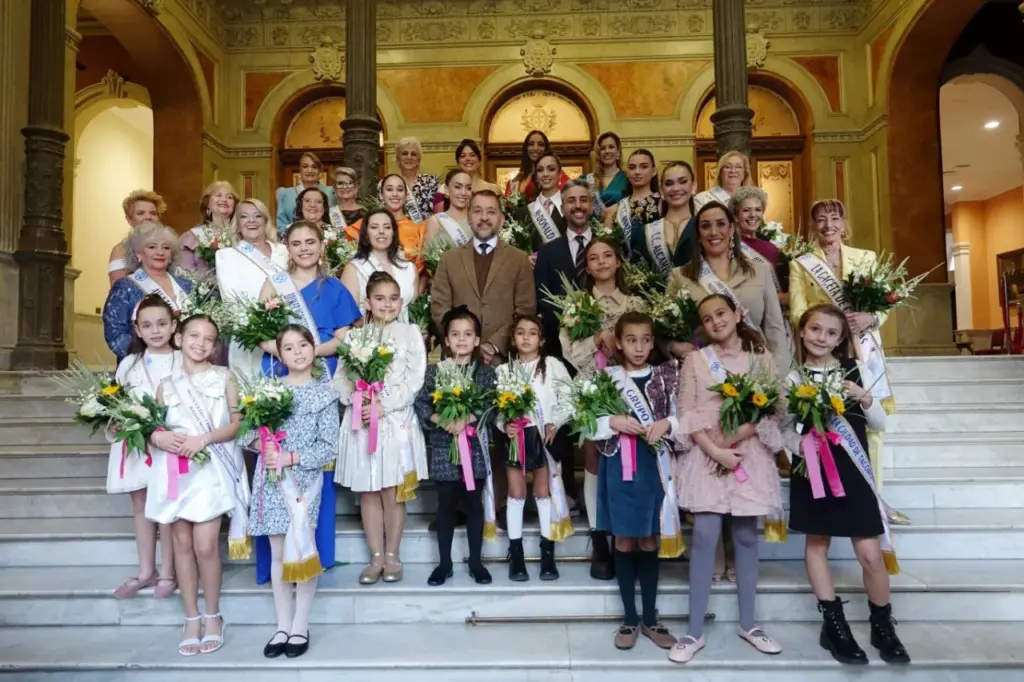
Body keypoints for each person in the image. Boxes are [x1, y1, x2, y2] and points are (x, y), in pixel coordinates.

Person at [784, 304, 909, 666]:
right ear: (803, 331)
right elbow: (782, 431)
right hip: (814, 472)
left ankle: (882, 625)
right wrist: (802, 447)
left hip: (853, 470)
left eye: (830, 333)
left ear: (840, 340)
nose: (821, 338)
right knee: (817, 544)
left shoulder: (854, 370)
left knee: (870, 553)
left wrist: (865, 398)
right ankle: (834, 625)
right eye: (815, 329)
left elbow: (879, 424)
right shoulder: (792, 378)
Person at [668, 294, 784, 664]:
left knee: (747, 536)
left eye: (721, 313)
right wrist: (715, 449)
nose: (715, 321)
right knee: (704, 535)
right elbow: (685, 412)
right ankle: (694, 630)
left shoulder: (760, 359)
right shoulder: (695, 360)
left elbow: (774, 410)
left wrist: (738, 435)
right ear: (701, 327)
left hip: (748, 454)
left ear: (736, 313)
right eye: (707, 319)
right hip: (708, 456)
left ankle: (749, 623)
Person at [252, 220, 360, 586]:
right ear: (288, 247)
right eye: (296, 243)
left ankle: (315, 555)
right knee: (275, 465)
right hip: (281, 378)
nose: (303, 248)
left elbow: (345, 338)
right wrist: (287, 354)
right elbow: (260, 333)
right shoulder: (274, 284)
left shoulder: (335, 288)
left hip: (321, 376)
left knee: (316, 468)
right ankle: (278, 561)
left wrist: (309, 353)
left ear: (320, 246)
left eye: (310, 242)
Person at [787, 199, 907, 525]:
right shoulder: (802, 263)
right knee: (826, 423)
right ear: (813, 226)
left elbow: (883, 302)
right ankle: (832, 489)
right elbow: (797, 311)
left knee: (872, 423)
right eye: (821, 220)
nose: (829, 225)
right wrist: (829, 322)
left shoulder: (865, 258)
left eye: (834, 218)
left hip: (862, 347)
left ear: (844, 221)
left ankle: (876, 499)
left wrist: (871, 316)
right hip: (824, 348)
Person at [146, 314, 250, 656]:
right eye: (193, 335)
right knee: (181, 544)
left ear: (215, 346)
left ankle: (213, 613)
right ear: (179, 338)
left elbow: (236, 425)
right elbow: (153, 430)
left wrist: (203, 439)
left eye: (208, 339)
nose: (200, 343)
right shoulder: (165, 385)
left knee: (205, 545)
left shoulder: (224, 378)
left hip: (210, 471)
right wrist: (160, 439)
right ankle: (191, 616)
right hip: (176, 472)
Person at [587, 311, 682, 651]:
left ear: (653, 342)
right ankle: (629, 618)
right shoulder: (606, 378)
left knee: (648, 540)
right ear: (619, 342)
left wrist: (668, 424)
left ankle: (651, 618)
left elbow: (682, 415)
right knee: (625, 541)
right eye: (631, 340)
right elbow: (587, 423)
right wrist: (611, 420)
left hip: (653, 468)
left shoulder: (666, 376)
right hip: (619, 468)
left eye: (645, 340)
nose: (639, 347)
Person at [250, 325, 339, 660]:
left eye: (303, 345)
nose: (298, 352)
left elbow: (330, 446)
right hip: (272, 480)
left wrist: (294, 457)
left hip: (305, 482)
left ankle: (301, 624)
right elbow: (249, 433)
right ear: (279, 354)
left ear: (314, 349)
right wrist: (265, 444)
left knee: (302, 547)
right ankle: (282, 624)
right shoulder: (267, 391)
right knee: (276, 554)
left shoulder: (325, 394)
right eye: (289, 348)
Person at [335, 272, 429, 584]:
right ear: (368, 302)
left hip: (395, 421)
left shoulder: (410, 333)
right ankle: (375, 556)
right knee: (369, 490)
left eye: (392, 298)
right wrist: (356, 399)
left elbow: (415, 379)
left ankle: (392, 554)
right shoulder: (354, 337)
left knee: (392, 490)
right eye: (379, 298)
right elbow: (341, 378)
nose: (386, 304)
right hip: (362, 421)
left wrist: (383, 405)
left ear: (401, 302)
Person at [561, 237, 643, 580]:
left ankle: (630, 533)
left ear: (618, 261)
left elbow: (644, 345)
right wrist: (596, 340)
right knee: (594, 458)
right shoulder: (577, 304)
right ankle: (599, 537)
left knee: (630, 460)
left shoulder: (635, 301)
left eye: (608, 255)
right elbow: (569, 350)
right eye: (593, 258)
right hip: (592, 389)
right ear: (587, 266)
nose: (601, 262)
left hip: (629, 390)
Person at [415, 306, 497, 586]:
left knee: (475, 506)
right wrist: (441, 418)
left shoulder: (485, 373)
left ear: (477, 340)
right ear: (446, 340)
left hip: (474, 450)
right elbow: (422, 403)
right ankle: (444, 564)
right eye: (455, 334)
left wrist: (468, 419)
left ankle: (476, 561)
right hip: (443, 448)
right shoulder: (434, 371)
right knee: (446, 506)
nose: (461, 339)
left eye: (468, 334)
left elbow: (492, 404)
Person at [106, 294, 180, 601]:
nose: (155, 331)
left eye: (162, 324)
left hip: (170, 445)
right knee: (141, 506)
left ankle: (169, 572)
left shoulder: (182, 358)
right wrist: (117, 422)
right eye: (147, 325)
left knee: (168, 508)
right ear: (136, 330)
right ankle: (146, 569)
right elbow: (117, 403)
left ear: (174, 326)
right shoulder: (128, 364)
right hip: (138, 446)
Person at [666, 201, 791, 373]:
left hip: (757, 372)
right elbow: (663, 329)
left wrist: (777, 374)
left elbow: (775, 329)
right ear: (698, 234)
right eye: (706, 226)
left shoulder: (760, 271)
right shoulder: (680, 276)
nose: (714, 232)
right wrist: (674, 346)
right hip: (706, 372)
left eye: (721, 224)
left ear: (732, 229)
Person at [497, 314, 573, 582]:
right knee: (516, 492)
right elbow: (497, 408)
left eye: (532, 333)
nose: (526, 337)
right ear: (513, 339)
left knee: (543, 492)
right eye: (520, 332)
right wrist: (503, 425)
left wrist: (555, 422)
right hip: (516, 438)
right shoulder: (503, 370)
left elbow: (569, 398)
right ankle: (516, 554)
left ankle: (547, 553)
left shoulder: (552, 365)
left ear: (541, 340)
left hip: (544, 438)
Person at [430, 190, 536, 366]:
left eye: (491, 212)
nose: (484, 217)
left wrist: (494, 345)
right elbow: (439, 308)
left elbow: (526, 309)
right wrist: (464, 342)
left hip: (503, 359)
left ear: (501, 220)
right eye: (478, 211)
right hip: (458, 359)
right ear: (469, 218)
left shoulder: (519, 259)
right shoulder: (449, 259)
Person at [215, 198, 288, 379]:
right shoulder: (226, 256)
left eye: (257, 216)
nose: (252, 221)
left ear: (266, 221)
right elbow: (232, 302)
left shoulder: (285, 251)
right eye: (244, 216)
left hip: (288, 336)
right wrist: (262, 337)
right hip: (249, 339)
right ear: (237, 224)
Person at [103, 222, 192, 363]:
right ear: (139, 253)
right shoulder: (125, 287)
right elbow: (115, 334)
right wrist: (152, 356)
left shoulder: (186, 285)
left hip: (185, 363)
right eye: (152, 247)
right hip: (142, 365)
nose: (160, 252)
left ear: (171, 255)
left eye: (166, 248)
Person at [534, 179, 594, 362]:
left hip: (602, 348)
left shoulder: (608, 248)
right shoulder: (547, 251)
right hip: (558, 349)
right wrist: (570, 323)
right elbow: (541, 297)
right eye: (571, 201)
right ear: (562, 209)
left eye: (583, 200)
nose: (578, 206)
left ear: (591, 206)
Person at [341, 209, 420, 323]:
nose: (381, 231)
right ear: (366, 234)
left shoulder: (410, 268)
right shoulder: (354, 268)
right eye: (374, 227)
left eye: (387, 227)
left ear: (394, 232)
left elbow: (415, 312)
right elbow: (349, 317)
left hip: (407, 335)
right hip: (369, 337)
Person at [346, 174, 426, 272]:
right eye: (389, 189)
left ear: (406, 195)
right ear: (381, 195)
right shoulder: (365, 224)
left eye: (400, 190)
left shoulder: (418, 229)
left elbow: (423, 271)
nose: (395, 194)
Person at [629, 161, 697, 277]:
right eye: (669, 183)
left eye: (683, 182)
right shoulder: (644, 232)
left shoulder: (704, 227)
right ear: (661, 190)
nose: (676, 188)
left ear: (694, 186)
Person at [604, 149, 660, 253]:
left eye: (644, 167)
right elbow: (607, 247)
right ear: (627, 172)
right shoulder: (614, 209)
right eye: (632, 167)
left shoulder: (664, 204)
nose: (637, 172)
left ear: (653, 171)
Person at [179, 181, 239, 274]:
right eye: (218, 195)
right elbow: (184, 273)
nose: (224, 199)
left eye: (229, 197)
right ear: (207, 204)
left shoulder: (241, 235)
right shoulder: (192, 236)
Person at [108, 189, 167, 284]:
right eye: (140, 213)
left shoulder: (169, 248)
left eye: (153, 213)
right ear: (129, 219)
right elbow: (118, 289)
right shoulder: (120, 250)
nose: (148, 217)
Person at [433, 139, 502, 212]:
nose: (468, 159)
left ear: (479, 161)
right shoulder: (445, 190)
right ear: (458, 162)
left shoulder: (493, 189)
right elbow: (439, 218)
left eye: (472, 155)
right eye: (463, 156)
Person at [276, 152, 335, 235]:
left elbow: (335, 222)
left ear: (320, 171)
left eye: (314, 167)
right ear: (300, 170)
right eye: (305, 166)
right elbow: (281, 226)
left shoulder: (331, 192)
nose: (310, 170)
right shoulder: (285, 194)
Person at [521, 152, 568, 252]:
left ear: (560, 174)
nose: (545, 174)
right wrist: (525, 258)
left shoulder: (571, 207)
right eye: (540, 170)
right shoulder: (523, 212)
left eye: (551, 169)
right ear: (536, 177)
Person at [504, 129, 569, 200]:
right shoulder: (516, 180)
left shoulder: (557, 175)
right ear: (526, 149)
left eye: (540, 144)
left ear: (546, 148)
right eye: (531, 144)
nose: (535, 148)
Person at [386, 137, 439, 223]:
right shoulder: (388, 184)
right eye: (404, 153)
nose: (409, 157)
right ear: (398, 158)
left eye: (413, 154)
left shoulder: (431, 182)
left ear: (419, 159)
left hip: (426, 233)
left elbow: (438, 215)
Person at [424, 169, 473, 247]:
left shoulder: (477, 221)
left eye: (468, 188)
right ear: (446, 190)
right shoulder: (436, 221)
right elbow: (428, 255)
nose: (463, 193)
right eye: (457, 187)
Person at [583, 132, 629, 213]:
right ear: (599, 153)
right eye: (603, 148)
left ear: (618, 151)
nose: (607, 151)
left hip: (620, 224)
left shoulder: (627, 178)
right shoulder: (587, 180)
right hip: (594, 225)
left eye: (611, 147)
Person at [327, 167, 365, 232]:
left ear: (356, 187)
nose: (344, 187)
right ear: (334, 188)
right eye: (340, 183)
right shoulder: (329, 213)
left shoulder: (366, 214)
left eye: (349, 183)